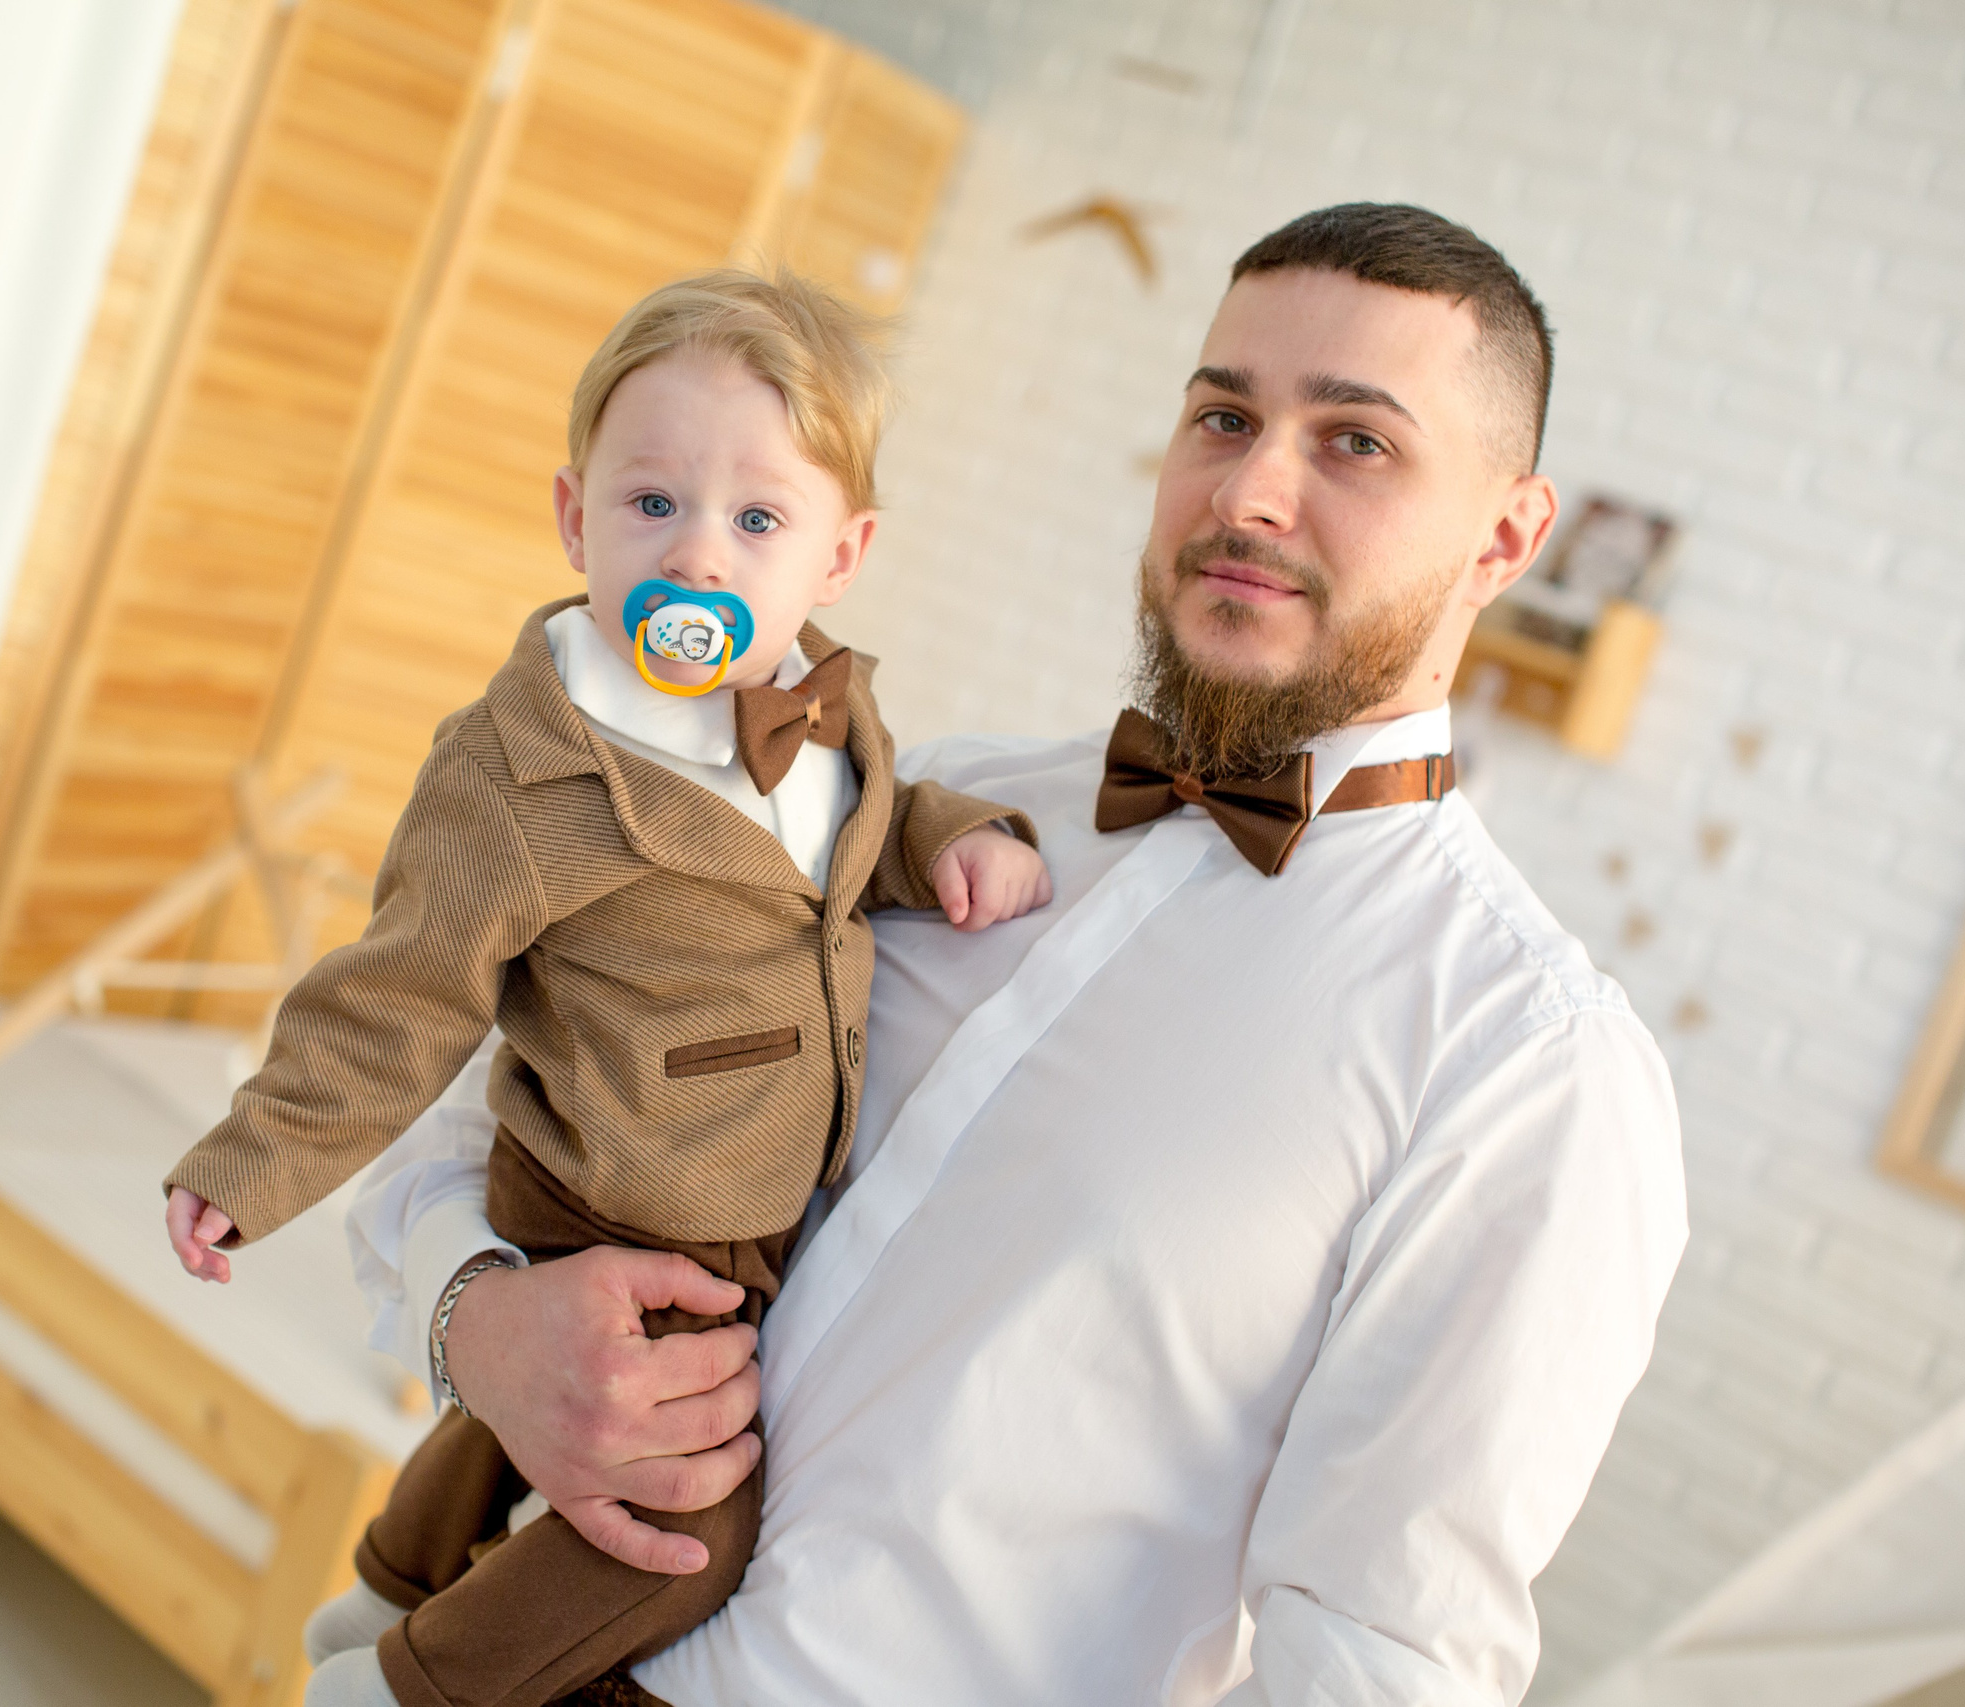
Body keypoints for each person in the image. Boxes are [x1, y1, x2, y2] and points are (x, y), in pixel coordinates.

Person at [342, 204, 1690, 1705]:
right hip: (469, 1645)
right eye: (1222, 414)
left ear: (1509, 533)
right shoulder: (903, 808)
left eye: (1356, 442)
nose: (1250, 491)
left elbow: (1380, 1665)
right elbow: (472, 1118)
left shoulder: (1526, 1066)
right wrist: (476, 1315)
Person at [160, 269, 1052, 1707]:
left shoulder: (820, 706)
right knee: (686, 1514)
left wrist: (949, 836)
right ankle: (403, 1683)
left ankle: (391, 1575)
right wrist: (257, 1156)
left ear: (840, 554)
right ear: (576, 517)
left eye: (758, 520)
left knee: (542, 1420)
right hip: (622, 1181)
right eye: (654, 506)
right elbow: (400, 992)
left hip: (733, 1199)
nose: (700, 556)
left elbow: (850, 843)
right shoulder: (525, 770)